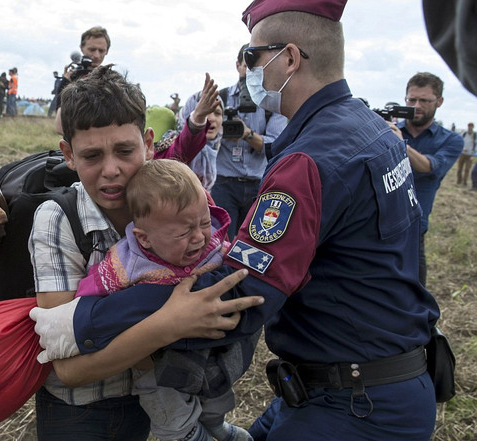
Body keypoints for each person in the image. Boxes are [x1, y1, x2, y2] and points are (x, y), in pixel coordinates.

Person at [32, 1, 444, 440]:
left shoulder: (309, 159)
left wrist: (86, 320)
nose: (247, 69)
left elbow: (240, 295)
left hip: (352, 404)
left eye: (251, 57)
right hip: (373, 382)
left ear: (288, 58)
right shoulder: (372, 130)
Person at [28, 65, 228, 441]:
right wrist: (171, 324)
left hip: (151, 401)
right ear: (68, 155)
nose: (111, 170)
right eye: (91, 156)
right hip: (78, 410)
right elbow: (68, 369)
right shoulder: (57, 220)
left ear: (149, 143)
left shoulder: (178, 201)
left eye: (125, 150)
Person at [69, 158, 252, 441]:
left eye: (204, 222)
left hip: (205, 351)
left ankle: (216, 424)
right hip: (156, 357)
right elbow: (90, 292)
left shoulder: (213, 243)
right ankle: (190, 435)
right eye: (182, 233)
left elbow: (235, 263)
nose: (199, 238)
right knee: (168, 409)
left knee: (217, 394)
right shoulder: (128, 261)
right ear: (144, 239)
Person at [387, 72, 463, 286]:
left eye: (424, 100)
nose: (417, 105)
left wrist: (399, 144)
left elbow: (429, 167)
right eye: (412, 100)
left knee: (414, 293)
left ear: (439, 102)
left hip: (414, 229)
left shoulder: (450, 140)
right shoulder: (387, 130)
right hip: (377, 225)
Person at [211, 44, 286, 239]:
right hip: (224, 184)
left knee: (253, 242)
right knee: (221, 242)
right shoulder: (220, 99)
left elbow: (275, 145)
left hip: (257, 184)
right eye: (247, 65)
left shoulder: (271, 104)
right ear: (238, 65)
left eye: (256, 67)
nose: (250, 72)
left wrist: (246, 134)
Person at [54, 26, 111, 135]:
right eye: (92, 50)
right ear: (81, 48)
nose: (96, 55)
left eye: (101, 50)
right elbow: (60, 125)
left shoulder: (111, 80)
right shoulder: (70, 78)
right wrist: (66, 82)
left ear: (107, 51)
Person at [177, 90, 225, 190]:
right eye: (205, 112)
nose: (211, 118)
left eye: (217, 113)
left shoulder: (214, 147)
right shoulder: (176, 146)